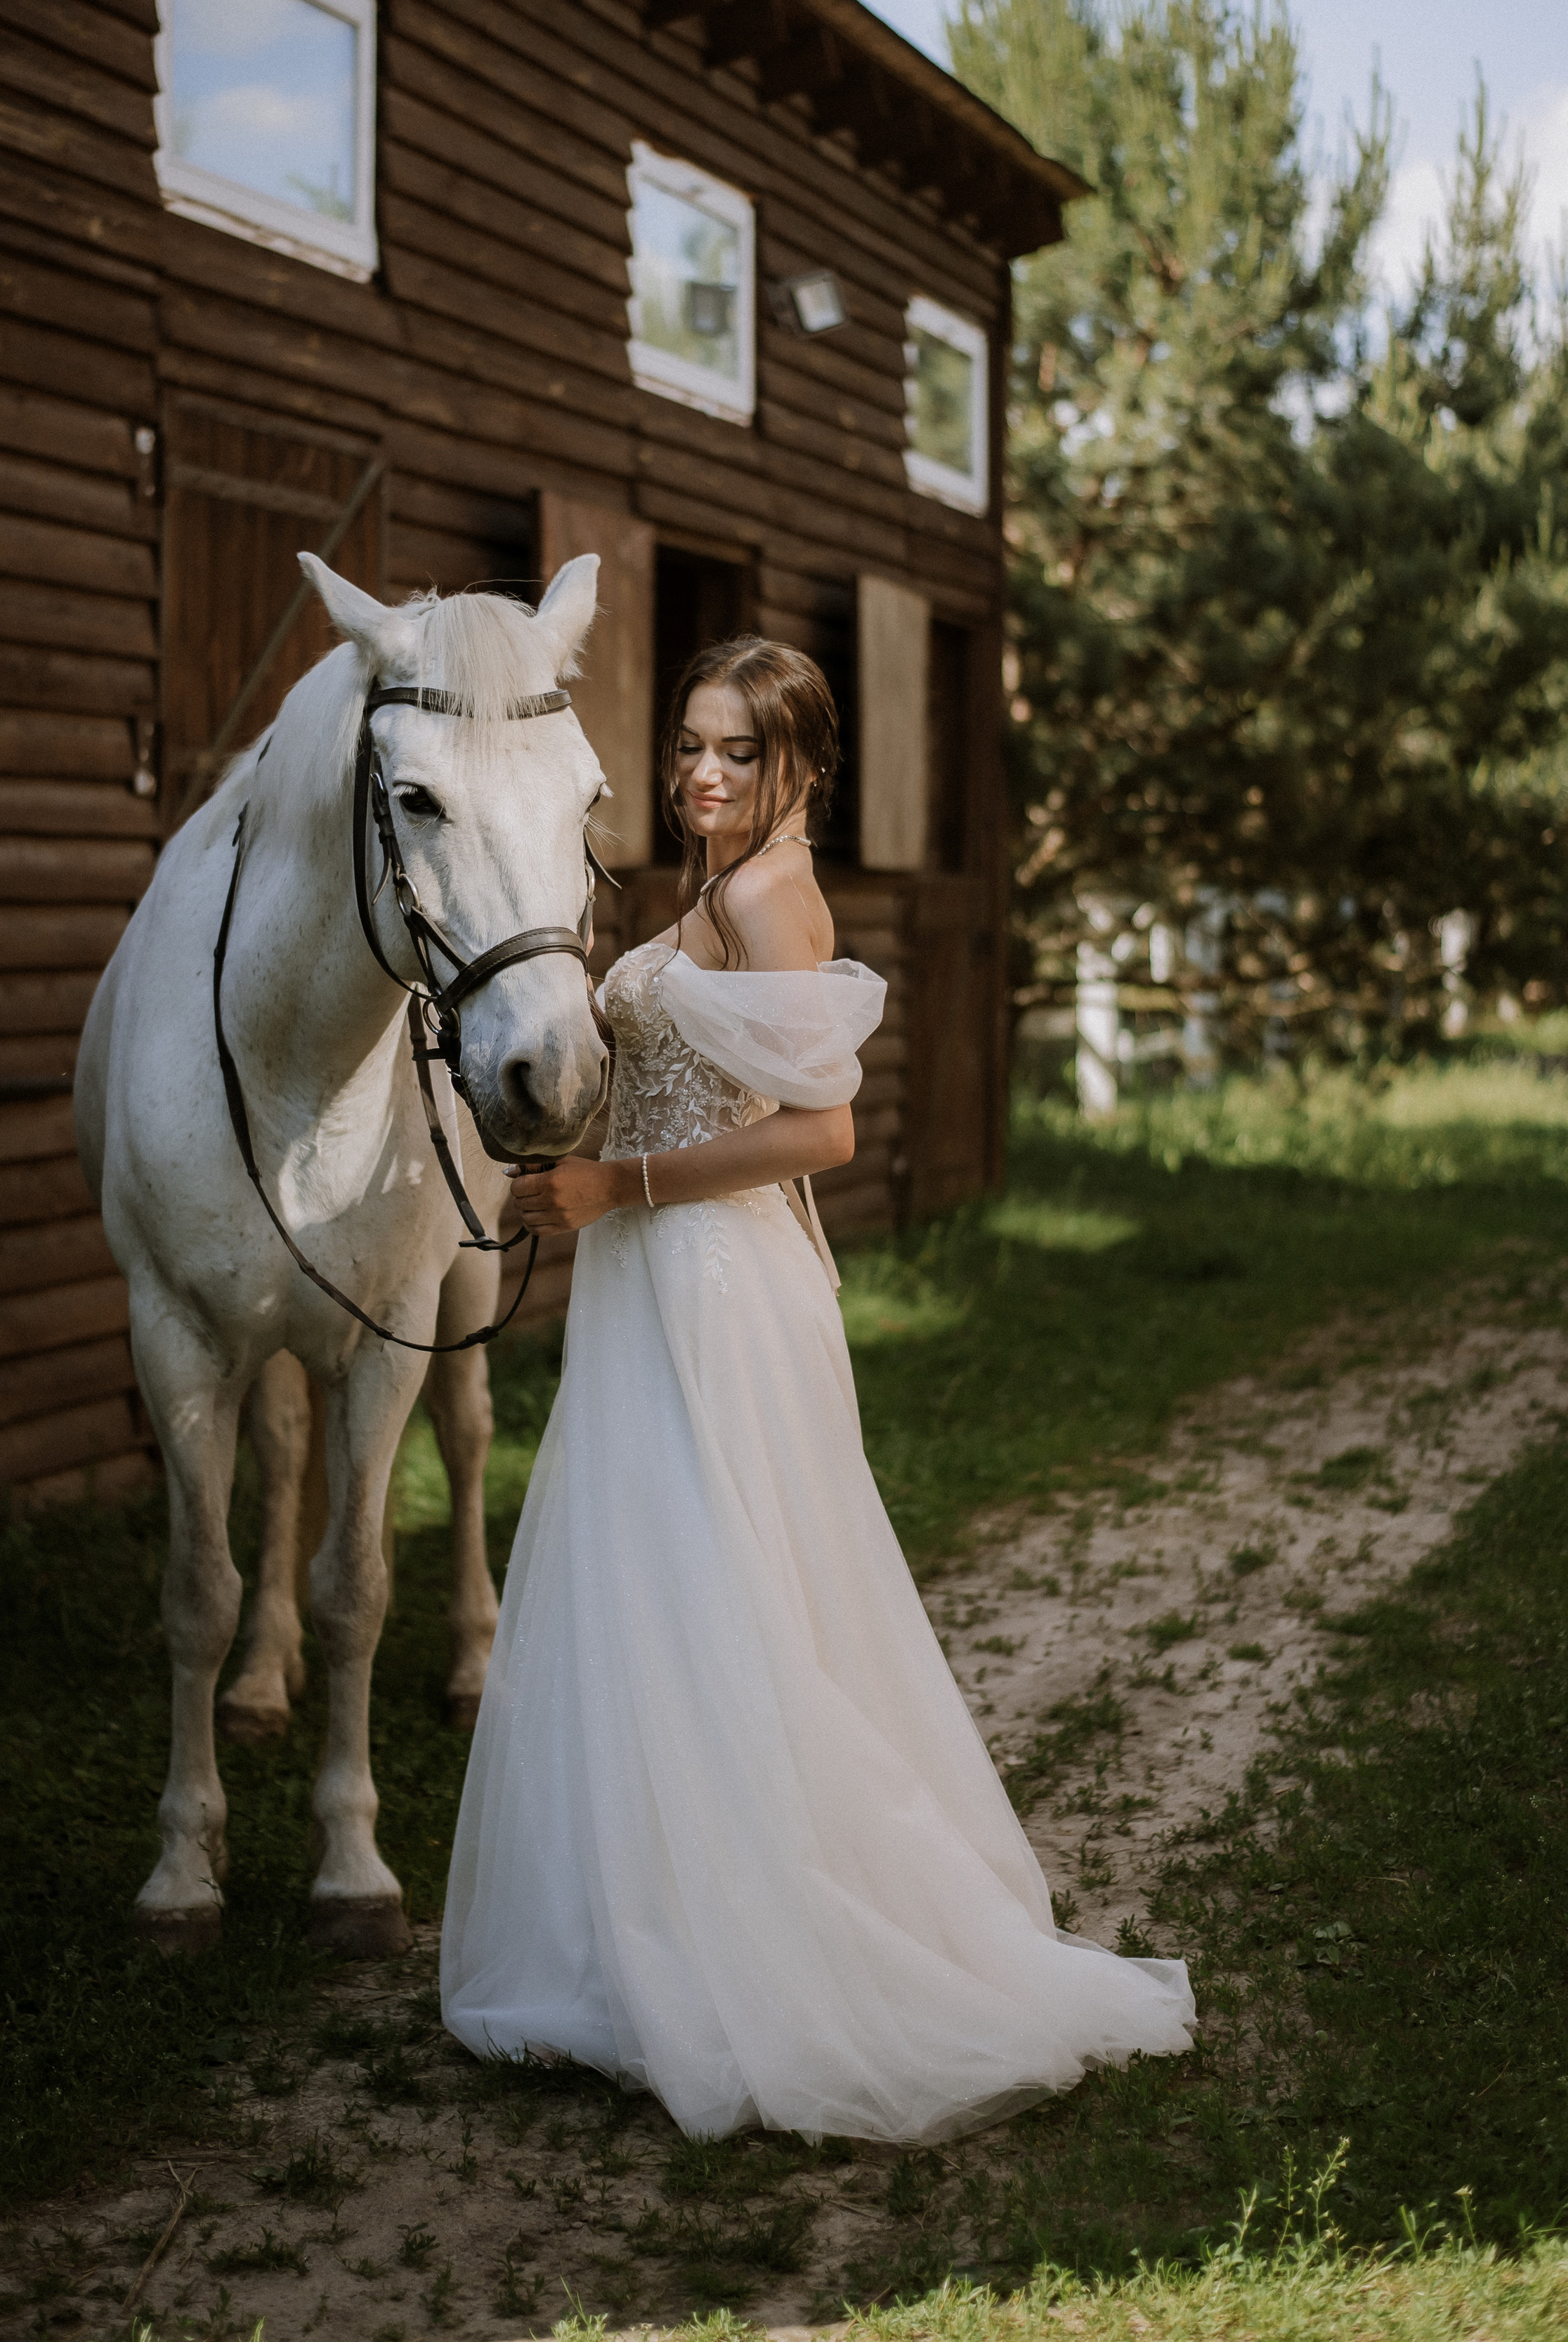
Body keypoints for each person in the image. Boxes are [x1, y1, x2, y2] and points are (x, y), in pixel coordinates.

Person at [440, 637, 1195, 2142]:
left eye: (733, 751)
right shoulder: (710, 891)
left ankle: (760, 1946)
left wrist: (621, 1183)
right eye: (687, 747)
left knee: (716, 1596)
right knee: (652, 1593)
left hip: (711, 1282)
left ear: (800, 765)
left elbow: (825, 1133)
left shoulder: (768, 895)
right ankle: (636, 1929)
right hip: (657, 1274)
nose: (698, 774)